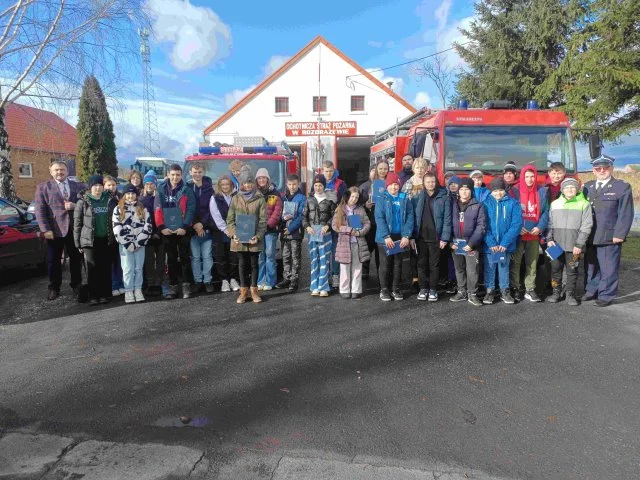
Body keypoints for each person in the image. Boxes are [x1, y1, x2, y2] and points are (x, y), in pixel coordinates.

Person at [582, 154, 634, 307]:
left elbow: (626, 213)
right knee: (591, 266)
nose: (602, 170)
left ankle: (605, 295)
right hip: (590, 234)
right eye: (598, 168)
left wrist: (620, 234)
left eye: (605, 167)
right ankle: (591, 291)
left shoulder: (621, 187)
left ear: (611, 168)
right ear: (594, 170)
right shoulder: (587, 187)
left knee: (608, 267)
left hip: (609, 235)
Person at [34, 160, 84, 301]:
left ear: (67, 171)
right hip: (54, 231)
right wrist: (45, 229)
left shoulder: (78, 186)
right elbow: (40, 210)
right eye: (56, 170)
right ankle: (54, 288)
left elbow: (85, 204)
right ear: (51, 171)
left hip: (74, 229)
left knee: (76, 259)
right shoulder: (43, 187)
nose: (59, 172)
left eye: (62, 169)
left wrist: (75, 205)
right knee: (53, 261)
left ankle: (76, 284)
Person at [546, 178, 593, 305]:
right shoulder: (554, 204)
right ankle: (556, 292)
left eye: (572, 187)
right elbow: (550, 223)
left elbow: (586, 225)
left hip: (574, 247)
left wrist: (579, 244)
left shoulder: (584, 204)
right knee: (555, 270)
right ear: (562, 190)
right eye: (566, 187)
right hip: (555, 245)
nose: (570, 189)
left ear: (577, 189)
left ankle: (570, 294)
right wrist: (549, 239)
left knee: (572, 271)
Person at [154, 163, 196, 300]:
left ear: (181, 175)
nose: (175, 177)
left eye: (178, 175)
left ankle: (186, 285)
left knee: (184, 257)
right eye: (172, 175)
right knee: (171, 259)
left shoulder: (187, 189)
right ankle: (173, 286)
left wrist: (184, 227)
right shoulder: (160, 189)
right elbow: (157, 209)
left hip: (182, 230)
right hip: (167, 230)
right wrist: (161, 227)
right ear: (168, 175)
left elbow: (190, 209)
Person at [73, 174, 117, 305]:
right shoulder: (83, 201)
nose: (97, 188)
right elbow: (77, 223)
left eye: (99, 185)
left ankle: (105, 294)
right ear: (90, 187)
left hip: (106, 239)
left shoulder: (109, 199)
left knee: (105, 268)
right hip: (89, 241)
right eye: (94, 185)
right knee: (92, 268)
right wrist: (77, 243)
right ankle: (94, 295)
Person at [226, 166, 267, 304]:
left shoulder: (260, 198)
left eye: (250, 182)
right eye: (245, 182)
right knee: (242, 264)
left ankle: (254, 291)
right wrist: (233, 234)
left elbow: (263, 221)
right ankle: (243, 292)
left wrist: (258, 236)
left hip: (254, 238)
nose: (247, 185)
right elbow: (230, 220)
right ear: (241, 184)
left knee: (254, 264)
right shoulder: (235, 198)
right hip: (239, 239)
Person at [510, 165, 549, 302]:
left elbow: (545, 212)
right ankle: (515, 288)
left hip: (533, 234)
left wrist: (540, 227)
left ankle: (530, 289)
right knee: (515, 261)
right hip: (518, 234)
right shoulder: (514, 191)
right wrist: (517, 227)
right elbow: (511, 212)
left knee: (532, 262)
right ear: (522, 177)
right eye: (526, 176)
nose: (530, 179)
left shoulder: (542, 191)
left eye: (532, 176)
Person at [411, 171, 451, 301]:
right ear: (423, 183)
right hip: (420, 237)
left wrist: (445, 238)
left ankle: (433, 289)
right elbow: (413, 218)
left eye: (432, 181)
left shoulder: (443, 197)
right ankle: (423, 288)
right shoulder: (417, 198)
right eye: (428, 182)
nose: (430, 184)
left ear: (436, 182)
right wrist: (411, 236)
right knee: (421, 264)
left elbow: (447, 219)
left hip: (436, 238)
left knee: (434, 265)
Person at [482, 178, 522, 305]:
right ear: (491, 191)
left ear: (504, 190)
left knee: (504, 268)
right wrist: (491, 243)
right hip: (491, 245)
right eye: (495, 191)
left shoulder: (513, 203)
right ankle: (490, 291)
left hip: (505, 245)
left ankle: (505, 291)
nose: (498, 193)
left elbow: (516, 224)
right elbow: (483, 225)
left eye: (500, 190)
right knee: (490, 268)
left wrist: (505, 243)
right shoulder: (485, 204)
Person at [375, 172, 414, 301]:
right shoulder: (381, 199)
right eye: (391, 185)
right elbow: (379, 218)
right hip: (385, 238)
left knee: (398, 264)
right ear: (387, 186)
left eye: (396, 184)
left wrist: (406, 236)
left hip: (399, 237)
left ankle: (396, 289)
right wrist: (386, 236)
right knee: (385, 264)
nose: (394, 187)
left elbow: (410, 217)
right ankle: (384, 290)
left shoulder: (404, 198)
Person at [113, 184, 152, 303]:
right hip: (125, 245)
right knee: (127, 268)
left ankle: (138, 289)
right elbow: (117, 227)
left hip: (139, 244)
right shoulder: (118, 209)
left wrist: (138, 242)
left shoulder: (142, 208)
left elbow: (148, 225)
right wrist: (128, 243)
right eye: (128, 194)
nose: (130, 196)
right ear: (124, 195)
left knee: (138, 268)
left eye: (133, 193)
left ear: (136, 195)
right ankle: (129, 290)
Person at [450, 178, 486, 306]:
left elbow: (481, 226)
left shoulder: (478, 205)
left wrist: (471, 244)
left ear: (471, 191)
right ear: (458, 191)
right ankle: (462, 291)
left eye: (467, 189)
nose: (464, 192)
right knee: (459, 269)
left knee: (472, 270)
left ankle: (473, 294)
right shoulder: (452, 204)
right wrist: (450, 242)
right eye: (462, 189)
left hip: (471, 244)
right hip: (456, 243)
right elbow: (447, 223)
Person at [332, 187, 371, 299]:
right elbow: (335, 226)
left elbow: (367, 224)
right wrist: (349, 230)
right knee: (344, 267)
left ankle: (356, 289)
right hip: (344, 243)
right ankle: (344, 289)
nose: (354, 199)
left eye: (356, 197)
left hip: (358, 243)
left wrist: (360, 233)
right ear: (348, 196)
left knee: (357, 267)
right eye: (352, 196)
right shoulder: (340, 209)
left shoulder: (361, 209)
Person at [302, 174, 337, 297]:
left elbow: (334, 216)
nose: (318, 188)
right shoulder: (309, 200)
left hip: (325, 233)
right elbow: (304, 217)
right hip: (313, 233)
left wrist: (328, 225)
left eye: (320, 185)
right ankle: (314, 286)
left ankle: (324, 286)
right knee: (314, 259)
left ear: (324, 186)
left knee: (324, 259)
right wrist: (307, 226)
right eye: (316, 185)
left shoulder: (329, 201)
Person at [187, 162, 215, 293]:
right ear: (190, 172)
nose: (197, 174)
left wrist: (202, 224)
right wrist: (195, 225)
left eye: (200, 172)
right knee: (196, 257)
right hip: (192, 229)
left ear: (203, 173)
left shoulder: (210, 189)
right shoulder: (186, 188)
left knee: (207, 256)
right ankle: (198, 281)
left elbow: (212, 209)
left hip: (207, 227)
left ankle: (207, 280)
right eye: (195, 172)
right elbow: (186, 208)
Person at [209, 175, 240, 292]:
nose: (225, 186)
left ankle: (233, 279)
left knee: (234, 257)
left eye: (227, 184)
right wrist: (227, 231)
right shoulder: (214, 198)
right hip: (220, 233)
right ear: (219, 186)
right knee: (221, 257)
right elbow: (216, 217)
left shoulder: (236, 196)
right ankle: (224, 281)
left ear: (231, 185)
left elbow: (240, 213)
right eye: (223, 185)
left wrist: (234, 231)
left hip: (235, 232)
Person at [277, 174, 306, 291]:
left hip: (295, 233)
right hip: (284, 233)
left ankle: (294, 279)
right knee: (285, 256)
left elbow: (301, 217)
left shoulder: (302, 198)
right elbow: (279, 214)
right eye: (290, 184)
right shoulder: (283, 198)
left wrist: (291, 228)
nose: (292, 187)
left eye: (294, 184)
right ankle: (286, 277)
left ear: (298, 184)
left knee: (295, 257)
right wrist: (282, 220)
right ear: (286, 185)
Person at [402, 158, 428, 290]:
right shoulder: (408, 183)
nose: (420, 170)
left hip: (427, 220)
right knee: (414, 251)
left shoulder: (428, 181)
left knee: (425, 251)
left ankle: (425, 277)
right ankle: (415, 277)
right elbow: (403, 202)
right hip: (413, 219)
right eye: (418, 167)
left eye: (422, 167)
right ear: (413, 169)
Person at [360, 161, 389, 279]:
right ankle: (365, 270)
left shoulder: (392, 182)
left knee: (382, 251)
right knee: (368, 247)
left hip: (387, 222)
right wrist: (366, 205)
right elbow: (356, 205)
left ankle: (381, 275)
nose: (382, 171)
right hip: (371, 222)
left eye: (385, 168)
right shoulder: (366, 186)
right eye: (380, 168)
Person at [255, 168, 283, 291]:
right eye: (259, 178)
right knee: (260, 257)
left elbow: (277, 212)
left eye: (264, 178)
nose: (261, 180)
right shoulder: (254, 194)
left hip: (270, 231)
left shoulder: (275, 194)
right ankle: (260, 281)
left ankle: (270, 281)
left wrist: (267, 225)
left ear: (268, 179)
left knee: (270, 256)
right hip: (257, 231)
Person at [140, 170, 165, 296]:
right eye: (147, 184)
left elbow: (162, 215)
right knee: (149, 259)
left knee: (160, 259)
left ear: (155, 184)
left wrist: (158, 231)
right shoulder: (141, 199)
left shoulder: (160, 197)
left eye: (152, 183)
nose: (149, 186)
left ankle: (158, 282)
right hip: (146, 234)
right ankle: (150, 283)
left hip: (160, 232)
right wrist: (149, 232)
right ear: (144, 185)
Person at [322, 161, 345, 289]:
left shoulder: (340, 184)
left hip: (335, 221)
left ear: (334, 170)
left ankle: (335, 275)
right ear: (322, 171)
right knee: (324, 251)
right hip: (322, 223)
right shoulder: (319, 182)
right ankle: (325, 276)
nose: (329, 173)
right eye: (326, 171)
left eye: (330, 170)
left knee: (335, 250)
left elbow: (343, 203)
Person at [103, 175, 124, 296]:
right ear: (104, 186)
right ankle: (113, 285)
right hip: (108, 235)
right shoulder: (103, 198)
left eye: (113, 185)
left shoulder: (120, 197)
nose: (111, 187)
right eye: (109, 185)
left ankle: (120, 283)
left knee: (120, 261)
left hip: (120, 234)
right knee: (110, 262)